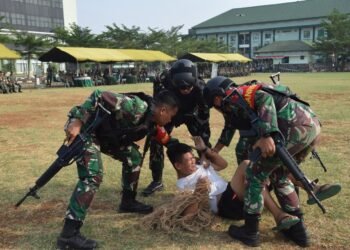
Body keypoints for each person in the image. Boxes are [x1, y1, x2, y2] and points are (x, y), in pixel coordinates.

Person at [202, 76, 333, 247]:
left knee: (254, 175)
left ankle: (250, 231)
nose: (217, 110)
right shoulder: (242, 96)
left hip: (293, 127)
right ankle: (297, 231)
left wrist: (267, 134)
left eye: (214, 106)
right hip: (309, 126)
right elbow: (232, 126)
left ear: (217, 98)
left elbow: (264, 97)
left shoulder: (233, 95)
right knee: (280, 174)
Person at [57, 89, 178, 250]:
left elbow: (164, 139)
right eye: (170, 115)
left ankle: (128, 201)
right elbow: (99, 95)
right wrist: (78, 121)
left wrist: (186, 150)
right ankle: (68, 235)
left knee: (133, 157)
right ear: (163, 110)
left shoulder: (151, 119)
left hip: (106, 136)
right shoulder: (137, 106)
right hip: (87, 129)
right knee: (92, 176)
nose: (170, 120)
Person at [166, 138, 301, 232]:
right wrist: (199, 192)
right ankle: (279, 215)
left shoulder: (200, 165)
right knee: (246, 165)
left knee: (273, 168)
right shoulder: (183, 184)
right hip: (227, 204)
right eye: (188, 160)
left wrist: (205, 150)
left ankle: (311, 187)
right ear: (178, 165)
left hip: (235, 193)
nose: (193, 161)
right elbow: (188, 215)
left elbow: (223, 164)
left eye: (192, 157)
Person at [142, 59, 211, 196]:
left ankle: (209, 176)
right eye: (181, 88)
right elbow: (158, 107)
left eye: (189, 87)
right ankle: (157, 180)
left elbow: (204, 117)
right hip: (170, 113)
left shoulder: (202, 89)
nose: (185, 90)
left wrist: (203, 141)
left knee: (203, 143)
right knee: (156, 140)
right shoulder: (163, 83)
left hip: (192, 114)